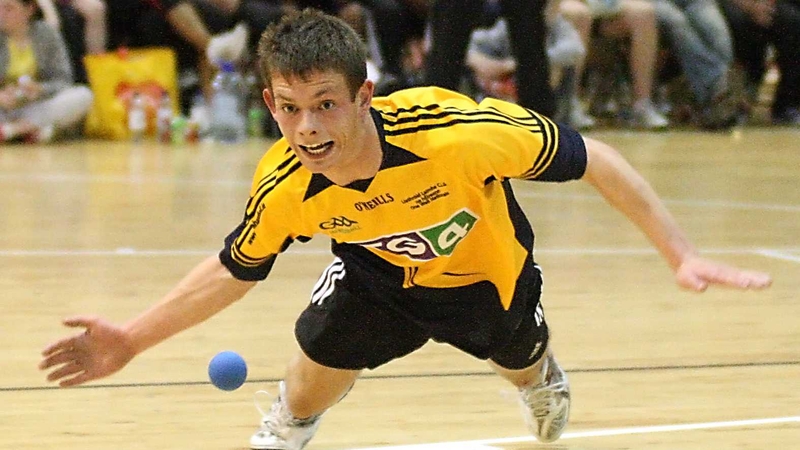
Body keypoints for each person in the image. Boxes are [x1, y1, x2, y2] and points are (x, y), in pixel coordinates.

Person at [39, 9, 772, 450]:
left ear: (363, 95)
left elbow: (598, 160)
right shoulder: (285, 181)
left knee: (520, 364)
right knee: (310, 377)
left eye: (325, 104)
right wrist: (131, 338)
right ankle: (290, 428)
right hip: (376, 278)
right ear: (269, 102)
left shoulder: (458, 131)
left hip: (486, 273)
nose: (308, 128)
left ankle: (540, 378)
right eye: (290, 108)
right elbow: (235, 269)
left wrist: (680, 253)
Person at [0, 0, 93, 142]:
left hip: (35, 106)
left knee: (83, 95)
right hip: (3, 109)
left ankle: (13, 130)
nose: (1, 14)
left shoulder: (46, 34)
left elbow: (63, 79)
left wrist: (40, 89)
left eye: (9, 9)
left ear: (29, 10)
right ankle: (35, 130)